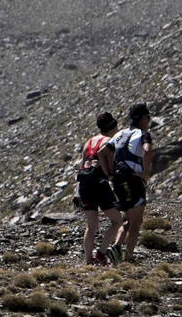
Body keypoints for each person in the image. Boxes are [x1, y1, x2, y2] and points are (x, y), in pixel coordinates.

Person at [107, 103, 155, 263]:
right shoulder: (143, 134)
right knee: (136, 222)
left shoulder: (120, 134)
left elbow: (102, 153)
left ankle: (115, 248)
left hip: (118, 179)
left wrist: (110, 173)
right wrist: (145, 174)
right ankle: (128, 259)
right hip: (133, 178)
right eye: (148, 117)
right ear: (142, 119)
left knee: (131, 219)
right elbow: (147, 150)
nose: (149, 120)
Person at [76, 111, 123, 265]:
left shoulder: (88, 143)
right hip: (99, 184)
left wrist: (77, 192)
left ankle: (88, 262)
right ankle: (101, 254)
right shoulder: (108, 142)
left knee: (91, 226)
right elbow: (109, 167)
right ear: (113, 126)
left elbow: (81, 166)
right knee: (117, 222)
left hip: (84, 185)